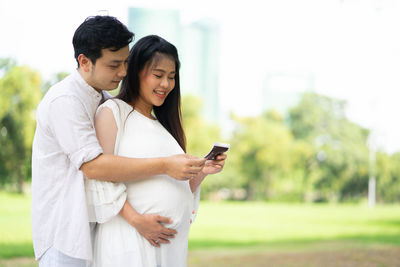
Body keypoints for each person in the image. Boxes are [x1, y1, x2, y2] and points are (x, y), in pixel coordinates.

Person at [31, 16, 206, 267]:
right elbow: (94, 167)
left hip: (93, 227)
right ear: (84, 61)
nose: (123, 72)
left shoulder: (102, 99)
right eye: (114, 65)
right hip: (65, 231)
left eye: (125, 62)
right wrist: (165, 165)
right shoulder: (66, 101)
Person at [87, 35, 227, 267]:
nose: (166, 84)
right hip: (129, 240)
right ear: (135, 72)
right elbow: (99, 177)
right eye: (158, 75)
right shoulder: (113, 112)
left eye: (171, 77)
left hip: (168, 246)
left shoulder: (163, 127)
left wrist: (202, 172)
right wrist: (137, 221)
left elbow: (174, 186)